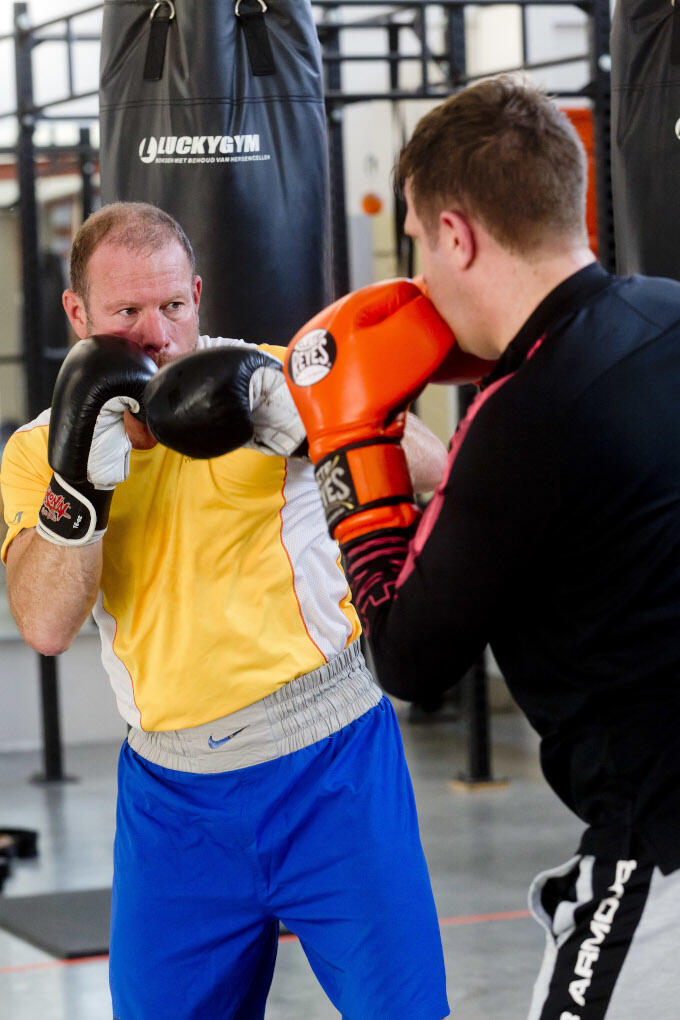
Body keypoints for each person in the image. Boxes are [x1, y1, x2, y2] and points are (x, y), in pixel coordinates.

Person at [284, 74, 680, 1019]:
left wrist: (354, 455)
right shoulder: (666, 311)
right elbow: (583, 496)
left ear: (457, 234)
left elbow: (410, 656)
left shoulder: (520, 417)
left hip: (660, 846)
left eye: (419, 240)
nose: (420, 272)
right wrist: (447, 472)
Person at [0, 201, 451, 1019]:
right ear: (78, 315)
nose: (156, 336)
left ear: (199, 294)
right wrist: (79, 491)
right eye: (126, 314)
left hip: (333, 768)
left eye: (173, 307)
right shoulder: (40, 449)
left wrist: (318, 424)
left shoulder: (269, 378)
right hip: (174, 803)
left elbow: (432, 468)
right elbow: (44, 624)